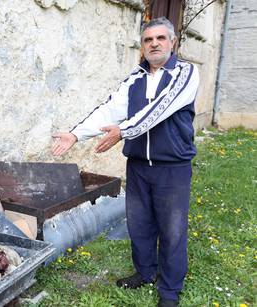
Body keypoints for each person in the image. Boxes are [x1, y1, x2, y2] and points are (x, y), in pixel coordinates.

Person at [51, 17, 199, 307]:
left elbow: (160, 109)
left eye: (160, 38)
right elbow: (109, 110)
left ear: (173, 42)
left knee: (172, 229)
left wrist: (124, 131)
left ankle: (169, 292)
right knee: (140, 225)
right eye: (148, 40)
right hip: (139, 166)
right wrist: (75, 134)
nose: (154, 44)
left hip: (173, 168)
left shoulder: (185, 73)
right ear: (142, 46)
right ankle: (145, 272)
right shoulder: (135, 78)